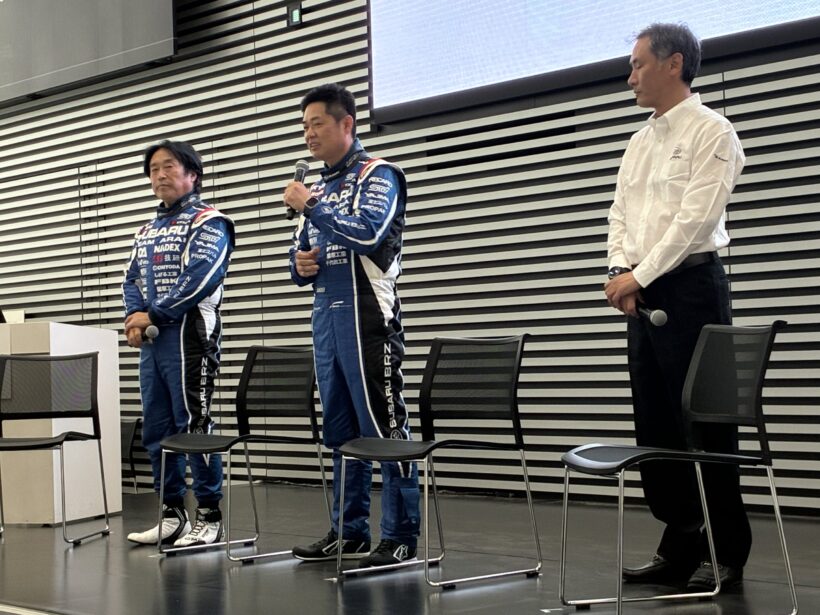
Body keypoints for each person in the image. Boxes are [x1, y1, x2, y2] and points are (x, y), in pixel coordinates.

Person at [604, 24, 748, 591]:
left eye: (638, 64)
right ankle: (682, 540)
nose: (630, 77)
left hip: (692, 289)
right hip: (643, 294)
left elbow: (696, 220)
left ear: (674, 64)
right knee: (657, 426)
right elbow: (619, 213)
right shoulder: (640, 141)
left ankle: (728, 551)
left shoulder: (713, 131)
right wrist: (621, 273)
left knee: (708, 424)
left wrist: (640, 274)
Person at [283, 83, 420, 568]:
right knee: (340, 430)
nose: (309, 133)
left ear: (347, 124)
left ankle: (400, 536)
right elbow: (303, 251)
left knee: (384, 425)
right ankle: (349, 532)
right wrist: (298, 265)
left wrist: (311, 206)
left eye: (317, 123)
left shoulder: (379, 173)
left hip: (368, 314)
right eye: (304, 126)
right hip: (325, 314)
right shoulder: (317, 187)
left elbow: (368, 232)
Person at [123, 139, 235, 547]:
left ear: (193, 174)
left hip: (191, 339)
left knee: (195, 426)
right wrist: (134, 319)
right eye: (154, 169)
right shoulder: (146, 230)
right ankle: (172, 514)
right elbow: (131, 280)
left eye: (169, 166)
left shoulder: (210, 222)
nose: (160, 175)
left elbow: (200, 277)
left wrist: (152, 315)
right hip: (153, 343)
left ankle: (210, 516)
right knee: (156, 430)